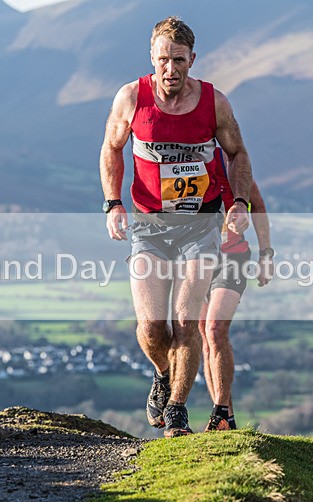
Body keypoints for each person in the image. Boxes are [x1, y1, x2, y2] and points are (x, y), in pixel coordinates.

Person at [99, 16, 254, 437]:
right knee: (152, 326)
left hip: (200, 226)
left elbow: (238, 153)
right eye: (164, 59)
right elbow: (112, 149)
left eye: (179, 60)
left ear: (192, 59)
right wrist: (113, 203)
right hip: (150, 226)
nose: (171, 69)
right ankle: (163, 373)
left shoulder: (213, 103)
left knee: (187, 322)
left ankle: (177, 410)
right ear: (152, 57)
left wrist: (238, 202)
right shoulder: (131, 98)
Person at [200, 151, 273, 431]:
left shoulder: (227, 162)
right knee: (205, 340)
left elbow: (258, 205)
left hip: (232, 257)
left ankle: (220, 412)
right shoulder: (176, 159)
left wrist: (266, 254)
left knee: (216, 329)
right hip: (193, 259)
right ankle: (224, 418)